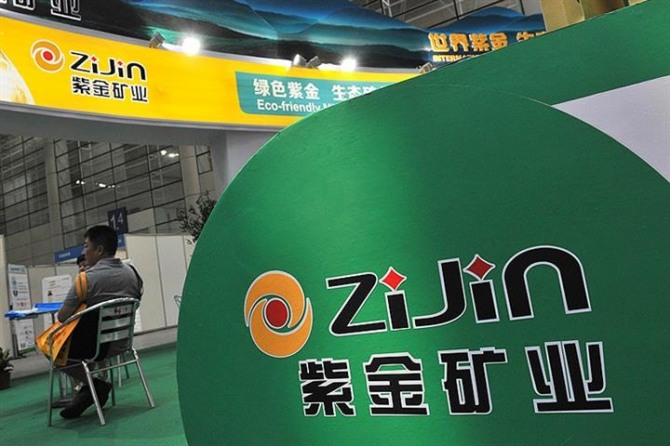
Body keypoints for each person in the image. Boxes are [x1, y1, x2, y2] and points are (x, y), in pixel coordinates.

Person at [56, 225, 143, 419]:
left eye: (86, 246)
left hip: (97, 348)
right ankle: (90, 390)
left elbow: (62, 316)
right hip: (123, 343)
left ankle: (94, 385)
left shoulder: (85, 280)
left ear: (99, 250)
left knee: (52, 347)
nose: (84, 251)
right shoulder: (133, 274)